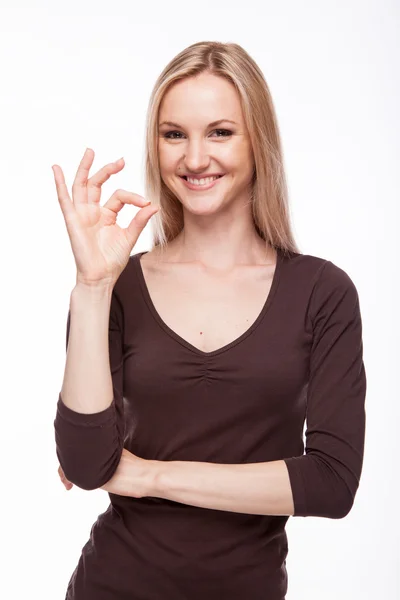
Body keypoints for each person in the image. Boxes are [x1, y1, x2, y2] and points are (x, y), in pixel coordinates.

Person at [53, 40, 367, 600]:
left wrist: (151, 475)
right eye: (174, 134)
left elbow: (331, 483)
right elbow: (84, 460)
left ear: (258, 143)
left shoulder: (322, 293)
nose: (195, 159)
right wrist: (93, 286)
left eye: (219, 132)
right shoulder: (117, 287)